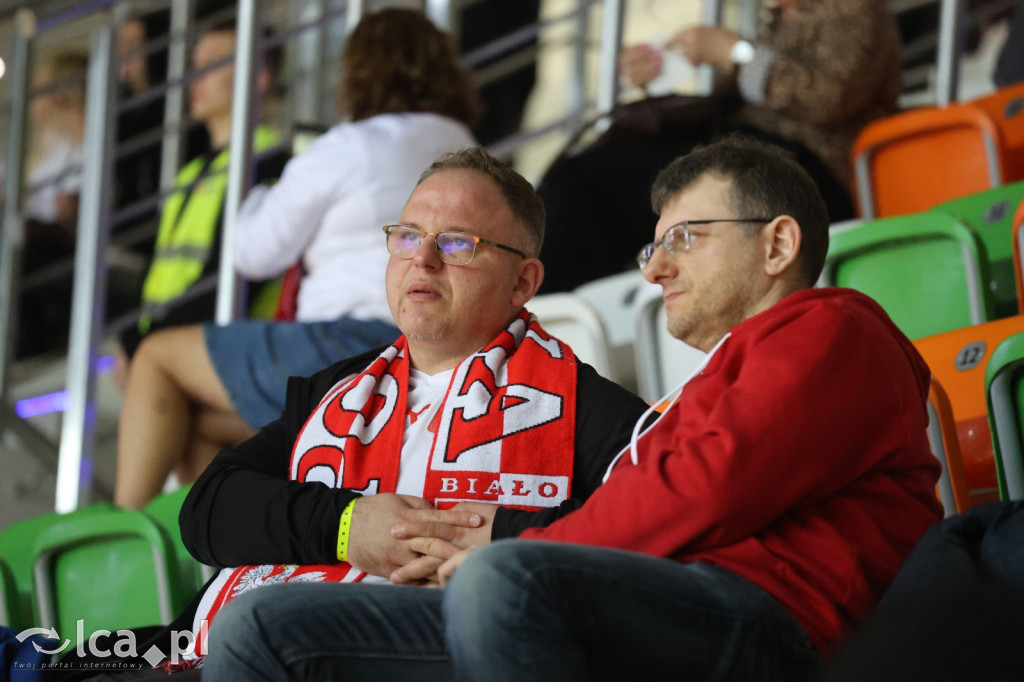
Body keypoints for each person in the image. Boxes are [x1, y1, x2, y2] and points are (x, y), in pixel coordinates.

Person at [200, 135, 945, 682]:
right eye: (651, 248)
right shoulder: (705, 386)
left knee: (503, 583)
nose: (656, 268)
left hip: (777, 623)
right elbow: (209, 508)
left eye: (683, 238)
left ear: (778, 243)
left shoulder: (832, 327)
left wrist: (512, 547)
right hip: (658, 604)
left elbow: (700, 487)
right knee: (263, 627)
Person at [73, 147, 646, 679]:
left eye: (456, 244)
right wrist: (347, 527)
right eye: (407, 236)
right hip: (194, 642)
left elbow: (650, 532)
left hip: (373, 648)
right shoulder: (340, 389)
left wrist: (510, 537)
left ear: (523, 281)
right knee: (45, 659)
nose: (422, 258)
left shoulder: (588, 410)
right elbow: (210, 509)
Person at [113, 8, 480, 511]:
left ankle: (121, 534)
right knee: (194, 424)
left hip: (345, 348)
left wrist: (256, 197)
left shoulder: (350, 144)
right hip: (432, 358)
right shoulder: (470, 151)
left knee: (154, 357)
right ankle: (230, 565)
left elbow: (254, 250)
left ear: (358, 73)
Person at [536, 0, 902, 293]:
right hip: (747, 154)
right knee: (585, 175)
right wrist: (667, 67)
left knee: (596, 183)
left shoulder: (854, 8)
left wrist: (737, 52)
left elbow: (826, 98)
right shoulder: (782, 18)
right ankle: (565, 308)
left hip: (807, 170)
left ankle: (545, 316)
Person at [115, 18, 287, 364]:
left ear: (259, 78)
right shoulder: (191, 172)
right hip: (165, 348)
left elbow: (229, 280)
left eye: (212, 65)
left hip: (221, 351)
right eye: (195, 66)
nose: (196, 77)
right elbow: (158, 270)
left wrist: (142, 344)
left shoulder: (272, 163)